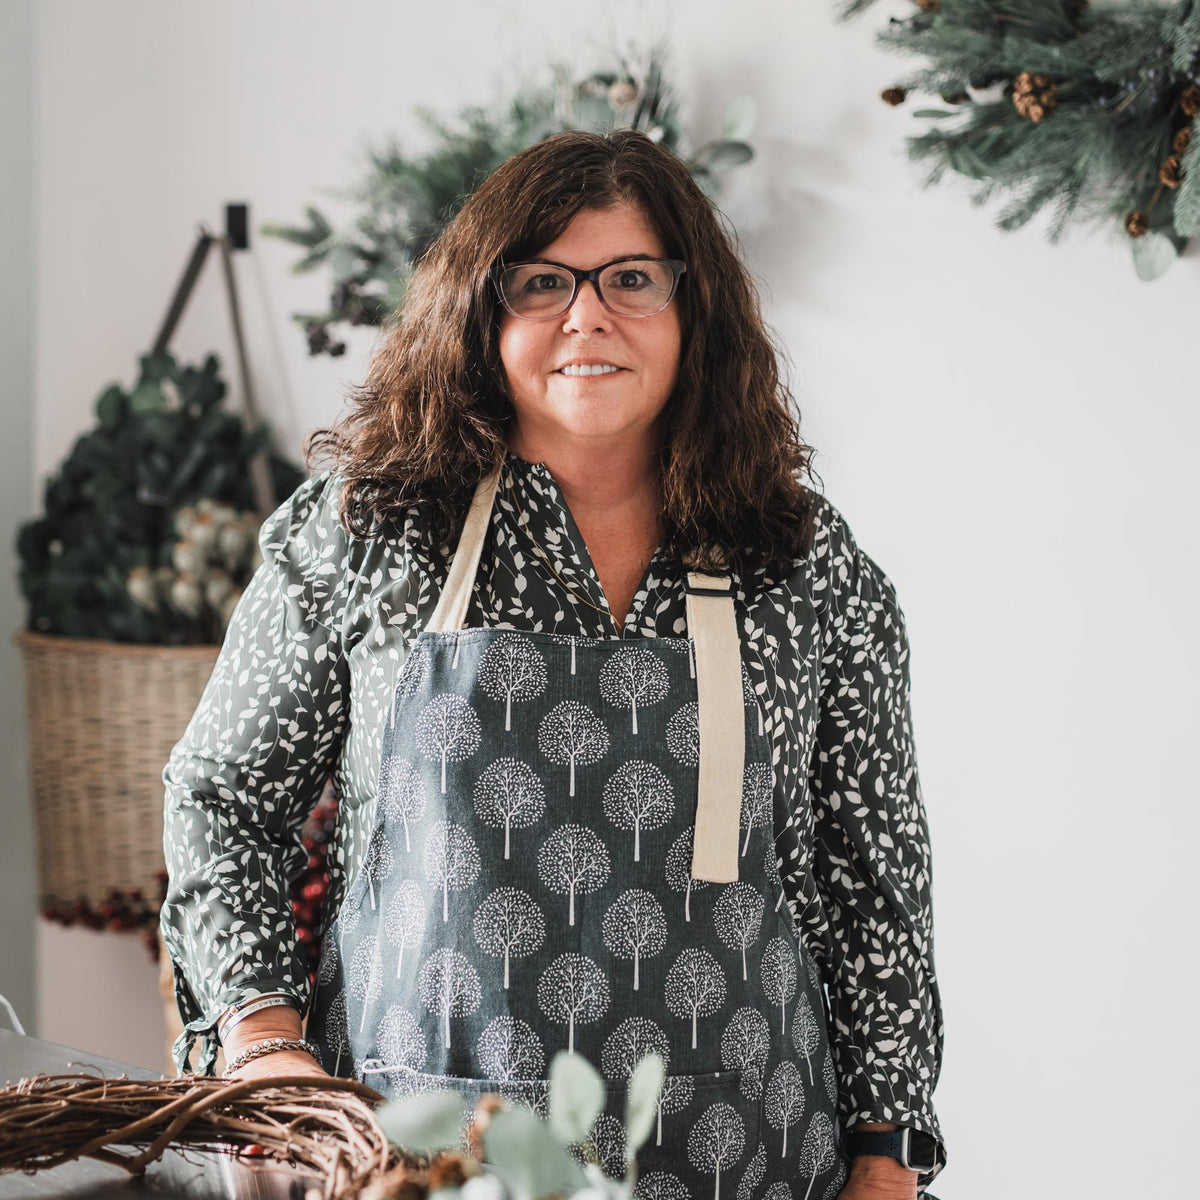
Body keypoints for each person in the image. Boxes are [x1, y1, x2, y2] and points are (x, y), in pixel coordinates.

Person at [161, 128, 947, 1199]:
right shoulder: (369, 533)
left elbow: (875, 884)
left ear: (693, 310)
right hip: (416, 1153)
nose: (588, 316)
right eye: (542, 281)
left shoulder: (805, 566)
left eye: (631, 278)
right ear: (480, 310)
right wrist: (261, 1038)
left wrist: (886, 1153)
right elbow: (222, 798)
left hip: (749, 1153)